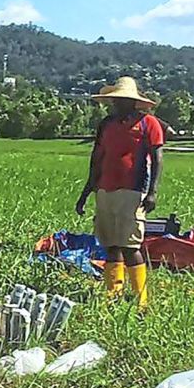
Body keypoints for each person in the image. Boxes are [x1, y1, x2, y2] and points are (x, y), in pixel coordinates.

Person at [75, 77, 165, 309]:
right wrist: (87, 190)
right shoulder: (106, 124)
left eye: (122, 99)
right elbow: (97, 158)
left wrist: (153, 191)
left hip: (133, 190)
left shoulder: (149, 124)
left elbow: (157, 159)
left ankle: (140, 299)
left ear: (133, 102)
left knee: (130, 246)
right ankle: (113, 293)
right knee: (111, 244)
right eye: (115, 99)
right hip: (105, 189)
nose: (117, 103)